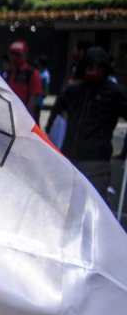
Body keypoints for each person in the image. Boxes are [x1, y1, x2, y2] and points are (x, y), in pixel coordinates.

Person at [48, 46, 127, 206]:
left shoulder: (115, 92)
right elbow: (56, 115)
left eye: (98, 67)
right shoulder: (73, 90)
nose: (93, 70)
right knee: (64, 206)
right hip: (68, 158)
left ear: (105, 68)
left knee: (93, 207)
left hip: (96, 161)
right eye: (90, 66)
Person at [2, 40, 42, 121]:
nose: (14, 57)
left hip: (24, 119)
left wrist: (24, 118)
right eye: (12, 54)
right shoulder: (9, 73)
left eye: (18, 54)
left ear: (25, 55)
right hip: (9, 116)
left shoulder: (32, 74)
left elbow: (33, 99)